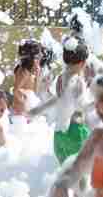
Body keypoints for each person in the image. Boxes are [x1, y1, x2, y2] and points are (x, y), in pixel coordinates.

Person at [30, 36, 92, 166]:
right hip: (76, 135)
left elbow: (58, 100)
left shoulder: (60, 78)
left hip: (59, 137)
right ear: (82, 62)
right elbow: (83, 107)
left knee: (65, 176)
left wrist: (36, 110)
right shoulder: (78, 81)